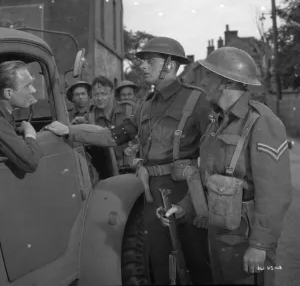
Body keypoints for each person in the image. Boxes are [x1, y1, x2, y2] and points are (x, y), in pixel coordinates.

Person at [45, 36, 213, 285]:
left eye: (149, 61)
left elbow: (212, 156)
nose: (142, 66)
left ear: (169, 64)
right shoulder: (146, 106)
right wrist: (70, 131)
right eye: (142, 61)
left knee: (196, 261)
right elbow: (111, 135)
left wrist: (201, 198)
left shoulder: (198, 100)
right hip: (151, 193)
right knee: (160, 261)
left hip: (186, 191)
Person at [158, 47, 292, 285]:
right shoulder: (216, 123)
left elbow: (275, 194)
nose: (204, 81)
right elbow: (207, 177)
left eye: (209, 76)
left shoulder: (261, 121)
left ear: (226, 82)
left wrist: (260, 245)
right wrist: (185, 208)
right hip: (219, 233)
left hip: (246, 239)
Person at [0, 60, 42, 172]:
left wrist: (18, 130)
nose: (33, 90)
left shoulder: (6, 115)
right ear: (8, 93)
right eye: (27, 86)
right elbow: (30, 161)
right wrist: (30, 134)